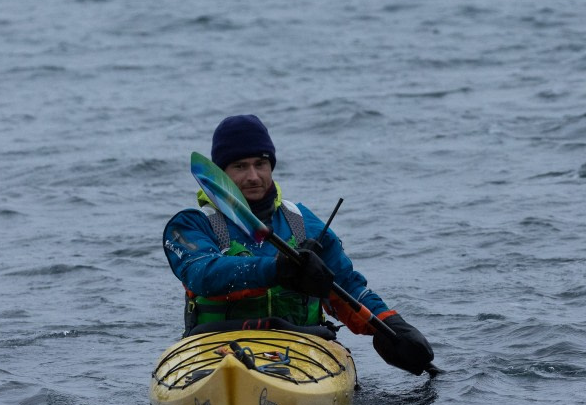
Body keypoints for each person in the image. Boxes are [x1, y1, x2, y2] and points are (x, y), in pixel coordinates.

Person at [162, 114, 435, 376]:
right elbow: (203, 274)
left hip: (302, 343)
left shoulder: (302, 221)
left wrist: (390, 324)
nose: (254, 176)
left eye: (261, 164)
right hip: (216, 345)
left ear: (272, 166)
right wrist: (278, 269)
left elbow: (346, 285)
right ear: (220, 173)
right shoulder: (191, 224)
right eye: (240, 166)